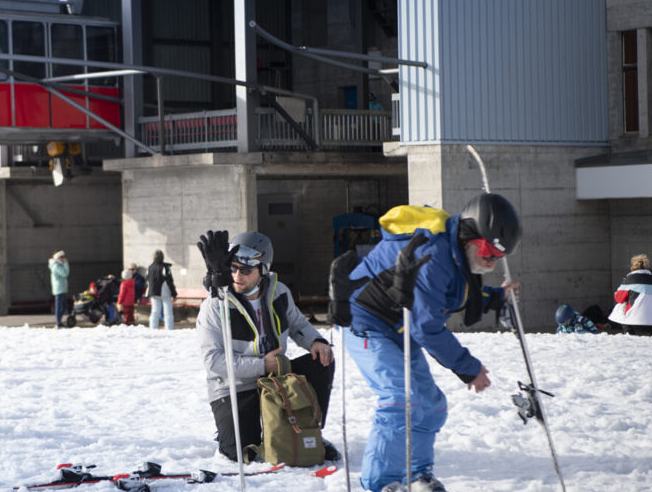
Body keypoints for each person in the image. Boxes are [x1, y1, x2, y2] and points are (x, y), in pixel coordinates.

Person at [340, 193, 521, 492]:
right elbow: (427, 326)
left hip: (399, 327)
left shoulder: (455, 254)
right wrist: (468, 367)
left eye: (500, 256)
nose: (492, 261)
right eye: (490, 251)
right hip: (365, 322)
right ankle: (381, 485)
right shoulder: (433, 253)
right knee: (400, 399)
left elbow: (447, 297)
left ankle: (418, 474)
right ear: (470, 236)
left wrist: (494, 298)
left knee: (431, 405)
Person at [195, 230, 338, 463]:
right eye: (232, 268)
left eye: (245, 270)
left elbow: (298, 324)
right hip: (236, 385)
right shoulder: (215, 305)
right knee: (243, 454)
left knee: (321, 358)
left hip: (277, 377)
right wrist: (262, 364)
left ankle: (309, 429)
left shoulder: (278, 291)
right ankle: (230, 429)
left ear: (262, 270)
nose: (237, 275)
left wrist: (316, 341)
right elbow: (214, 361)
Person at [609, 253, 652, 336]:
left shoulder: (630, 279)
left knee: (620, 306)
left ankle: (628, 332)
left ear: (632, 267)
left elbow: (619, 299)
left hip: (635, 320)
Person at [147, 250, 176, 330]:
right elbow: (169, 281)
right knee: (168, 312)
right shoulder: (165, 267)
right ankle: (169, 328)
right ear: (162, 257)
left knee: (155, 311)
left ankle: (153, 328)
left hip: (153, 292)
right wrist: (174, 293)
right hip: (164, 292)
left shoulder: (150, 267)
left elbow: (148, 279)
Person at [49, 250, 70, 328]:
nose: (64, 259)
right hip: (59, 289)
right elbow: (65, 274)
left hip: (61, 288)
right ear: (58, 258)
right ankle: (58, 323)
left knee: (62, 306)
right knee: (59, 306)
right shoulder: (56, 266)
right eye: (62, 257)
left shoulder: (58, 265)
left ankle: (59, 322)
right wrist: (66, 263)